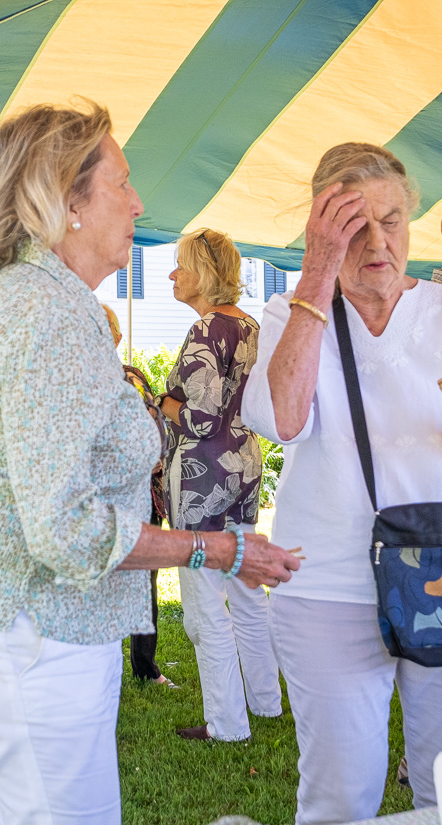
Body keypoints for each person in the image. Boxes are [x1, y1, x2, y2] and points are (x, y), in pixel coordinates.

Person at [0, 100, 298, 825]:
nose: (137, 204)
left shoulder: (47, 299)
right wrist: (216, 549)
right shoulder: (48, 311)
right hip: (38, 627)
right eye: (122, 184)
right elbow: (65, 528)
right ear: (66, 201)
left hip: (44, 622)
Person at [242, 143, 442, 825]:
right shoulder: (293, 311)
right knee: (340, 802)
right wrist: (318, 276)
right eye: (353, 226)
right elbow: (282, 420)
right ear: (322, 230)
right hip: (330, 585)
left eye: (392, 221)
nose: (377, 242)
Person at [161, 227, 279, 741]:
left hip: (203, 477)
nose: (172, 274)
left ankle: (227, 724)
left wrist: (162, 402)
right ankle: (266, 702)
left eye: (180, 265)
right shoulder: (251, 326)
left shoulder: (206, 330)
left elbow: (201, 419)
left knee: (207, 604)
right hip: (244, 468)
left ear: (204, 274)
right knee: (248, 591)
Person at [102, 304, 173, 688]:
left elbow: (155, 429)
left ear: (115, 338)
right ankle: (102, 666)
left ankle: (145, 666)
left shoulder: (130, 377)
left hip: (138, 497)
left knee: (143, 580)